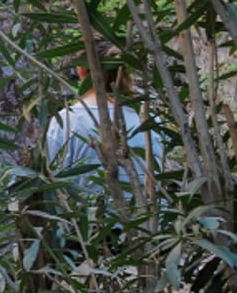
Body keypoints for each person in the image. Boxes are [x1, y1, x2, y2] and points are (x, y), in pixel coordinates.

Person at [45, 40, 163, 208]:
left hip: (91, 226)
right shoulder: (148, 117)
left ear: (81, 70)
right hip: (150, 224)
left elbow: (53, 179)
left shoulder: (66, 121)